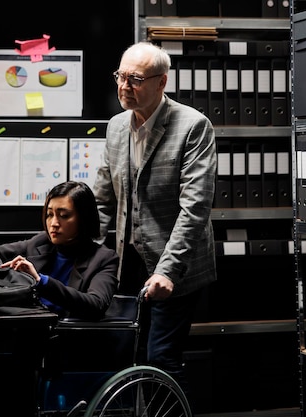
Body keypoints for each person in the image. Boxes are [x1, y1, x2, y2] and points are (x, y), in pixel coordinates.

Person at [91, 41, 217, 403]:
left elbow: (194, 208)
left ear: (161, 82)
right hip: (127, 263)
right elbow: (102, 199)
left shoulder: (193, 126)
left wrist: (168, 272)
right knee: (125, 355)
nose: (124, 87)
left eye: (135, 79)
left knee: (160, 358)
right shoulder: (116, 127)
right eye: (120, 76)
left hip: (174, 266)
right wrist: (86, 257)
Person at [0, 180, 120, 321]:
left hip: (68, 337)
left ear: (84, 219)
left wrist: (41, 281)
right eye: (50, 214)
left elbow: (96, 304)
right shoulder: (41, 242)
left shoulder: (104, 259)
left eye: (64, 216)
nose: (54, 223)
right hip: (26, 328)